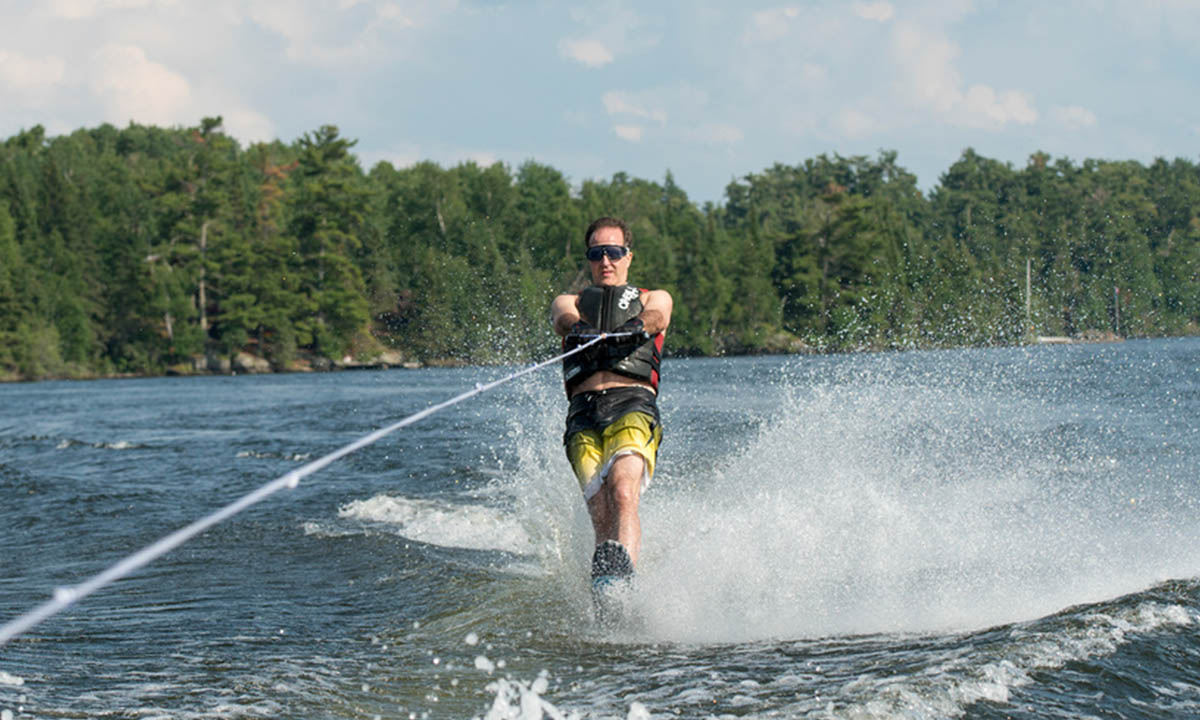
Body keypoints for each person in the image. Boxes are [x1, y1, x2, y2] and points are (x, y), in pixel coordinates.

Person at [550, 216, 673, 589]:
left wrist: (636, 327)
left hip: (632, 404)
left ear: (628, 257)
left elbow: (658, 315)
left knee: (622, 491)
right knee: (601, 511)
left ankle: (623, 585)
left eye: (614, 252)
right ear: (589, 259)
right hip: (583, 415)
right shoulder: (570, 301)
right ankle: (605, 590)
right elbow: (561, 317)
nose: (606, 261)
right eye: (597, 253)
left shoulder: (653, 298)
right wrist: (580, 328)